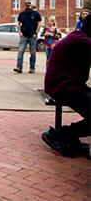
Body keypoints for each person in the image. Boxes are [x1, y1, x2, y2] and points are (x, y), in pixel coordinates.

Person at [41, 14, 90, 158]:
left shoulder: (79, 37)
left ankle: (68, 136)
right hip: (63, 87)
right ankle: (58, 135)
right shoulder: (82, 41)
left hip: (69, 84)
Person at [14, 0, 42, 73]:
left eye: (29, 5)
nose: (27, 6)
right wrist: (19, 32)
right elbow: (18, 23)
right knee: (20, 51)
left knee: (32, 52)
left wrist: (36, 32)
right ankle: (19, 67)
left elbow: (39, 24)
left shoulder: (36, 14)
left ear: (32, 5)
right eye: (26, 5)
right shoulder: (22, 14)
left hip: (33, 36)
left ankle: (32, 68)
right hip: (24, 36)